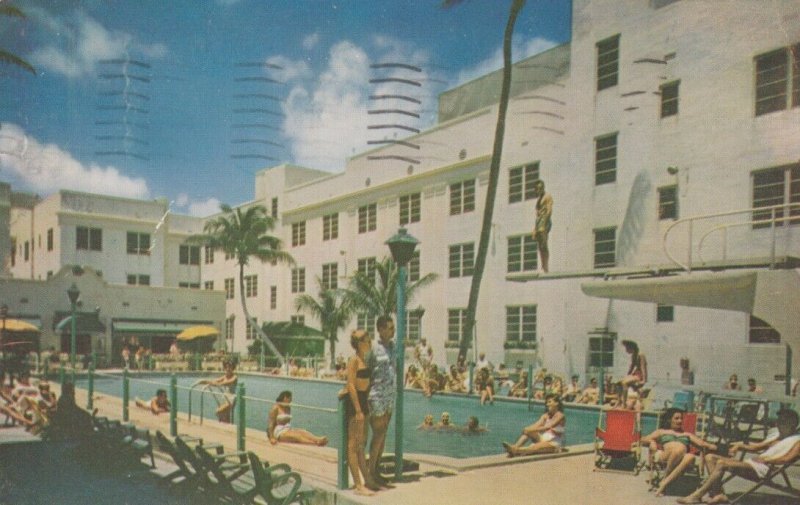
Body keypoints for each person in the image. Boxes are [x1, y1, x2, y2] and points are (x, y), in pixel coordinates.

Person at [678, 408, 800, 505]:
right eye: (778, 421)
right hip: (753, 464)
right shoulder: (777, 436)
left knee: (721, 463)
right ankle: (717, 493)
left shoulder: (797, 441)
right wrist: (739, 445)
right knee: (710, 457)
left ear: (792, 423)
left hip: (764, 469)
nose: (778, 424)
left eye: (781, 421)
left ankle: (696, 495)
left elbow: (787, 459)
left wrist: (768, 459)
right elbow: (756, 447)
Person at [641, 408, 717, 496]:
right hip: (665, 456)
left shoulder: (687, 434)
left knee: (690, 456)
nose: (680, 421)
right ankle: (665, 481)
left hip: (682, 458)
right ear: (670, 420)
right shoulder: (662, 431)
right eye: (676, 418)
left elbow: (702, 444)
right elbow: (643, 439)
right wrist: (651, 442)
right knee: (678, 450)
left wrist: (721, 448)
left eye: (681, 418)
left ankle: (664, 482)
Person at [344, 329, 380, 495]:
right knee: (353, 445)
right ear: (359, 343)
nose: (370, 342)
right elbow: (351, 384)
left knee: (361, 444)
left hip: (364, 403)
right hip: (356, 405)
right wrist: (358, 410)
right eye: (366, 340)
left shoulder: (364, 359)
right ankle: (358, 485)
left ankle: (367, 480)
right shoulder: (353, 360)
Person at [367, 316, 397, 489]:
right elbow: (365, 370)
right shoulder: (373, 348)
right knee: (378, 433)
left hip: (389, 396)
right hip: (376, 395)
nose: (393, 331)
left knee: (383, 434)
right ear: (381, 329)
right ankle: (370, 473)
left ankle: (376, 470)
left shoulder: (393, 347)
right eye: (390, 328)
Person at [532, 179, 553, 273]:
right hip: (539, 222)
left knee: (544, 244)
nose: (539, 190)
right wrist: (535, 229)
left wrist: (545, 224)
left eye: (540, 188)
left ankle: (546, 266)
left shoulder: (547, 196)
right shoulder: (538, 200)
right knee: (540, 245)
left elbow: (549, 210)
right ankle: (543, 265)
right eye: (537, 189)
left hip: (545, 221)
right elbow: (537, 216)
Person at [618, 340, 647, 405]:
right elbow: (631, 367)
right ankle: (619, 400)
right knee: (619, 383)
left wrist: (644, 380)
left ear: (631, 347)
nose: (626, 350)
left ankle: (624, 403)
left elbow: (643, 367)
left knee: (625, 383)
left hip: (640, 375)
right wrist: (627, 376)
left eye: (627, 348)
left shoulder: (641, 354)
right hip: (635, 374)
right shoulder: (634, 355)